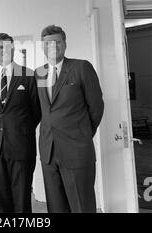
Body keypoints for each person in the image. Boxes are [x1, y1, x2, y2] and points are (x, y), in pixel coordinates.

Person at [35, 25, 104, 213]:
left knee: (81, 206)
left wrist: (82, 134)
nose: (53, 46)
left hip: (77, 151)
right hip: (49, 152)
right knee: (56, 207)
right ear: (42, 47)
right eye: (48, 43)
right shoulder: (39, 73)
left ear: (65, 44)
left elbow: (96, 107)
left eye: (57, 42)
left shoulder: (81, 67)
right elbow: (41, 109)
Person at [0, 33, 41, 213]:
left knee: (22, 200)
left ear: (13, 48)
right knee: (2, 199)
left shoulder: (28, 75)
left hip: (21, 146)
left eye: (7, 47)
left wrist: (20, 129)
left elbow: (36, 111)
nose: (4, 50)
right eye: (0, 48)